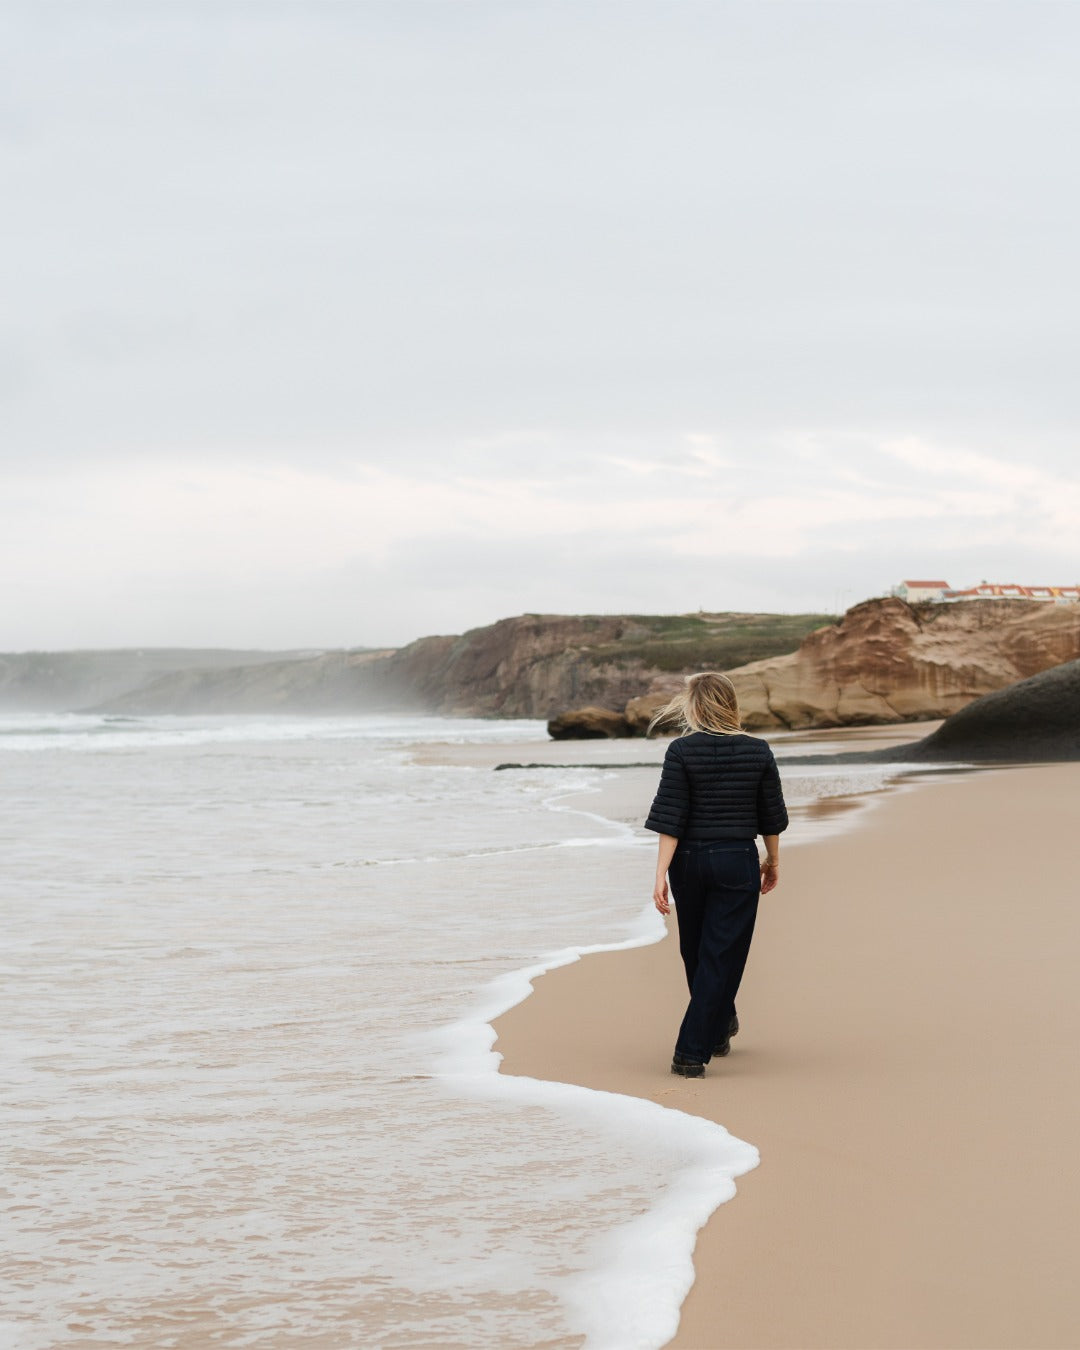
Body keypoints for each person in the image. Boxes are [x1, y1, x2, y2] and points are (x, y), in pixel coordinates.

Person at [644, 671, 788, 1078]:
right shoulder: (758, 751)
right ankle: (693, 1049)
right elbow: (771, 817)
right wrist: (772, 860)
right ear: (730, 704)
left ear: (694, 707)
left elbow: (671, 819)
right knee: (719, 954)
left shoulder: (681, 751)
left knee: (696, 950)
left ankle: (716, 1028)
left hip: (688, 862)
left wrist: (660, 875)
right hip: (736, 860)